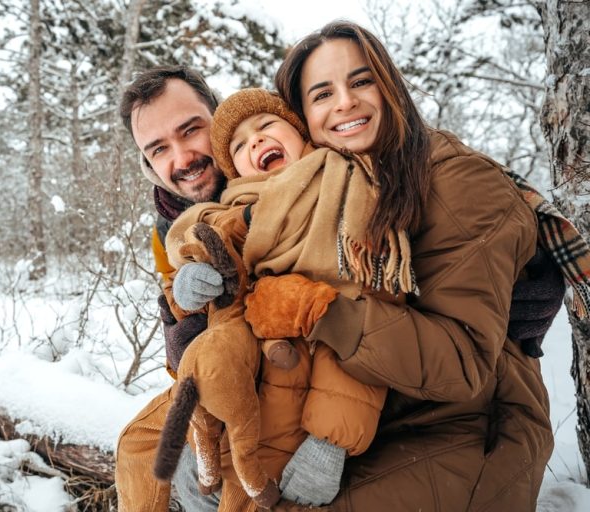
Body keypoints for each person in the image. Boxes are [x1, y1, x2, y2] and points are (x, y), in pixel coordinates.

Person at [115, 63, 567, 511]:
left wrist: (526, 260)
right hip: (281, 379)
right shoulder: (177, 225)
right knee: (164, 455)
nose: (182, 158)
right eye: (158, 149)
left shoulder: (315, 155)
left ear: (216, 112)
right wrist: (186, 320)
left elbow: (426, 159)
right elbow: (191, 341)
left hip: (406, 396)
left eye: (191, 129)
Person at [231, 20, 554, 510]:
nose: (345, 102)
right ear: (301, 120)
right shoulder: (318, 190)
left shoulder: (461, 183)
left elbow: (463, 363)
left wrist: (323, 311)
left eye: (361, 81)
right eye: (322, 94)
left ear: (391, 86)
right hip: (365, 413)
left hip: (464, 426)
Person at [155, 88, 410, 508]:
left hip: (315, 408)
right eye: (238, 145)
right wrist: (189, 286)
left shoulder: (348, 192)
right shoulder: (235, 211)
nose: (254, 140)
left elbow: (367, 322)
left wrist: (331, 440)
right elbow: (201, 251)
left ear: (299, 131)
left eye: (266, 125)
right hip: (246, 404)